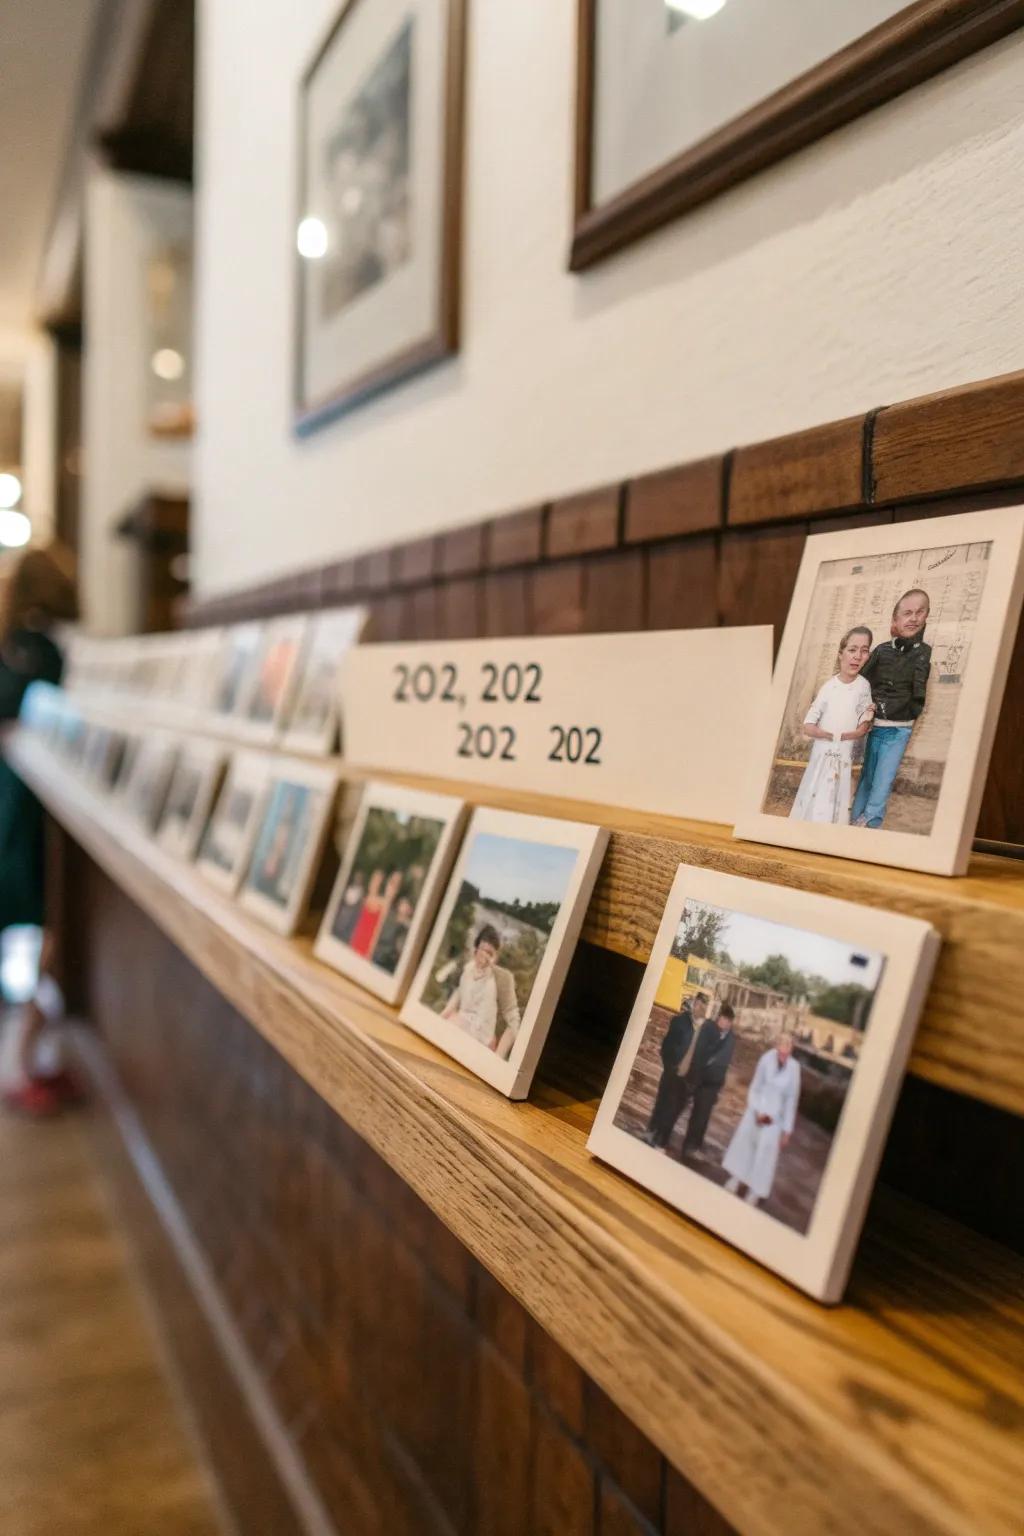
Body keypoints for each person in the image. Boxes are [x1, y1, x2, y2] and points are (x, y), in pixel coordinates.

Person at [0, 546, 79, 1114]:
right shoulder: (45, 650)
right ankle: (20, 1065)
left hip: (10, 802)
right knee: (37, 928)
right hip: (23, 807)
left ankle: (23, 1060)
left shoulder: (8, 645)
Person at [851, 589, 932, 829]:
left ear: (926, 616)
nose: (914, 618)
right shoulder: (882, 650)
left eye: (920, 612)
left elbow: (919, 690)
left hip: (899, 731)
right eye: (907, 613)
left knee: (882, 782)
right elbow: (862, 682)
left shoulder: (924, 652)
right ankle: (852, 823)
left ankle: (870, 825)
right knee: (867, 778)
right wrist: (868, 711)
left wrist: (907, 712)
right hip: (874, 729)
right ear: (895, 621)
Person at [790, 627, 875, 824]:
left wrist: (864, 721)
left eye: (864, 651)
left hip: (843, 755)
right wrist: (828, 735)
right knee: (818, 791)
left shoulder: (863, 686)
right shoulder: (829, 687)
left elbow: (864, 722)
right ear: (840, 654)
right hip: (822, 754)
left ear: (868, 656)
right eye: (852, 650)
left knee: (837, 793)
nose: (857, 657)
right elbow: (808, 725)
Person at [723, 1032, 802, 1208]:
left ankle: (754, 1191)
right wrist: (757, 1110)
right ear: (776, 1045)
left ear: (791, 1048)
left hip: (776, 1119)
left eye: (788, 1046)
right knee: (746, 1146)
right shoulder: (766, 1058)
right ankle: (736, 1179)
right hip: (757, 1111)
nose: (784, 1049)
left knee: (765, 1155)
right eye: (781, 1045)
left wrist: (787, 1130)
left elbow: (791, 1100)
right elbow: (755, 1087)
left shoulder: (794, 1068)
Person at [442, 924, 520, 1057]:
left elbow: (513, 1020)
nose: (485, 957)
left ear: (496, 957)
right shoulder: (468, 970)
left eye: (490, 953)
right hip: (458, 1031)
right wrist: (437, 1021)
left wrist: (498, 1056)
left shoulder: (502, 978)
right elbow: (455, 1000)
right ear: (475, 950)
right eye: (482, 950)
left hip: (481, 1044)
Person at [644, 992, 708, 1150]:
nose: (700, 1007)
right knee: (662, 1103)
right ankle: (651, 1132)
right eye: (699, 1003)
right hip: (671, 1073)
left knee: (674, 1111)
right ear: (694, 1003)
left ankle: (661, 1141)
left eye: (704, 1005)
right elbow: (666, 1047)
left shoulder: (706, 1032)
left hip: (688, 1080)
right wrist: (670, 1067)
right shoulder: (680, 1021)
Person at [678, 1002, 737, 1157]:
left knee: (702, 1117)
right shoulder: (709, 1028)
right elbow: (699, 1054)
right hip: (699, 1078)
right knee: (680, 1108)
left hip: (713, 1084)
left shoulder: (731, 1038)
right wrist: (694, 1078)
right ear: (719, 1017)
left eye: (729, 1021)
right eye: (724, 1019)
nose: (725, 1023)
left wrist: (720, 1086)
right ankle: (665, 1137)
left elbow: (725, 1062)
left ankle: (693, 1146)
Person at [371, 894, 414, 974]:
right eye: (403, 904)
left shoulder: (407, 928)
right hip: (377, 955)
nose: (405, 907)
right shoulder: (390, 916)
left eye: (407, 906)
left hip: (388, 962)